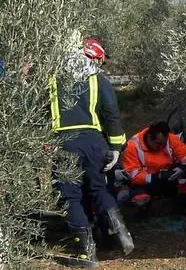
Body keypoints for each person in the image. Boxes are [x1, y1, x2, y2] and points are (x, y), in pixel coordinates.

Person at [50, 36, 133, 267]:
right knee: (99, 187)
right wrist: (116, 148)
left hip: (64, 142)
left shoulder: (52, 78)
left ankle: (87, 256)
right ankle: (121, 232)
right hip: (93, 141)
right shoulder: (98, 79)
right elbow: (111, 114)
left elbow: (38, 112)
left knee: (70, 196)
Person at [121, 121, 186, 214]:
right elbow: (133, 174)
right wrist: (155, 177)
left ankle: (183, 206)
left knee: (185, 176)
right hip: (145, 183)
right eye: (158, 143)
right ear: (149, 138)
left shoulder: (170, 138)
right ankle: (142, 215)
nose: (161, 147)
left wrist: (183, 168)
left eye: (164, 144)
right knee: (140, 199)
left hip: (168, 178)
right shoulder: (133, 146)